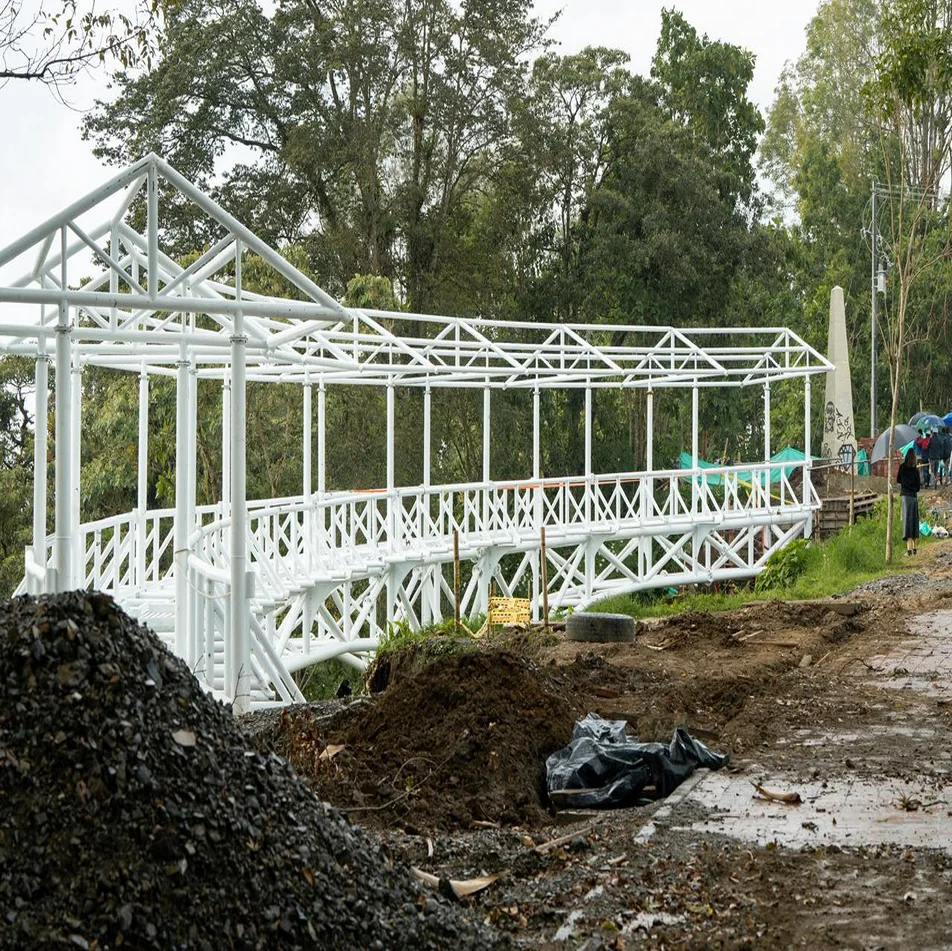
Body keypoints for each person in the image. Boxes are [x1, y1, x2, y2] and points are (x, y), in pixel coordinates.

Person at [897, 447, 921, 556]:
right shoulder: (916, 470)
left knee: (907, 521)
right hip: (914, 497)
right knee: (914, 521)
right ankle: (915, 548)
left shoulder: (902, 467)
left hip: (905, 497)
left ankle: (909, 550)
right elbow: (918, 487)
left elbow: (898, 480)